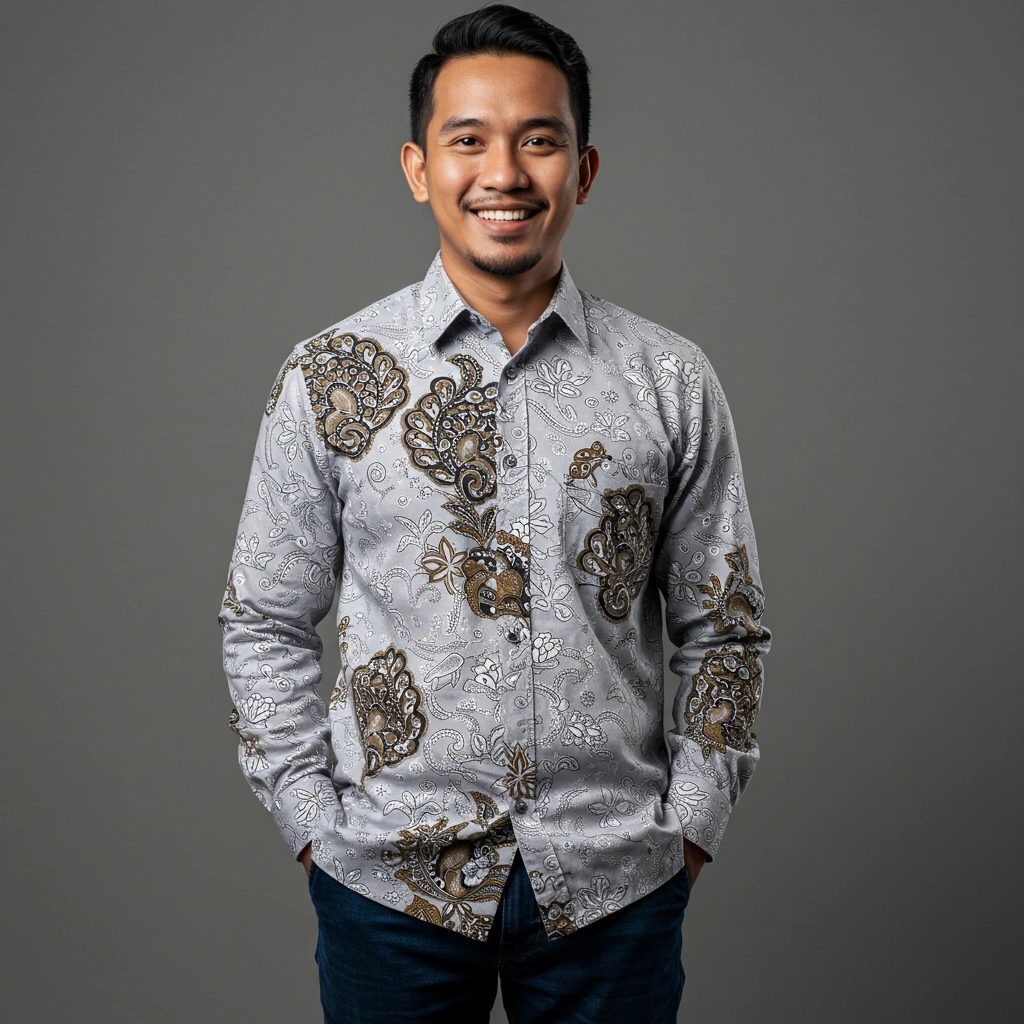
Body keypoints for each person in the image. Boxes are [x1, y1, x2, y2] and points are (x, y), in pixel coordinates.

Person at [219, 5, 771, 1022]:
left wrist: (689, 826)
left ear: (584, 170)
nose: (503, 173)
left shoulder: (669, 381)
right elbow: (262, 618)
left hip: (615, 885)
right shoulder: (331, 375)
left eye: (538, 140)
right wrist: (311, 825)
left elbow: (724, 626)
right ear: (418, 166)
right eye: (467, 139)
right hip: (387, 885)